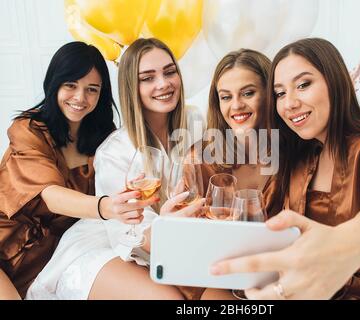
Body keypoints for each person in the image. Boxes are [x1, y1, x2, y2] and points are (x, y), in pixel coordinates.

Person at [210, 38, 360, 299]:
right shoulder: (297, 160)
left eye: (303, 85)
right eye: (280, 93)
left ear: (335, 83)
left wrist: (348, 244)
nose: (289, 103)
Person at [25, 38, 217, 300]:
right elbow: (129, 236)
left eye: (169, 72)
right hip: (109, 244)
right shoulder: (115, 151)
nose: (163, 83)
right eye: (147, 78)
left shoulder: (197, 123)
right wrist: (168, 229)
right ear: (131, 86)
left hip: (173, 242)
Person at [0, 41, 129, 299]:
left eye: (91, 89)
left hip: (53, 260)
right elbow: (51, 195)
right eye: (71, 85)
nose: (80, 98)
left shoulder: (106, 141)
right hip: (4, 246)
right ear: (54, 84)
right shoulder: (28, 130)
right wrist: (107, 207)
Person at [195, 48, 280, 217]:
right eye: (226, 97)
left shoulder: (298, 157)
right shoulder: (198, 162)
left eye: (248, 93)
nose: (236, 105)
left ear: (270, 93)